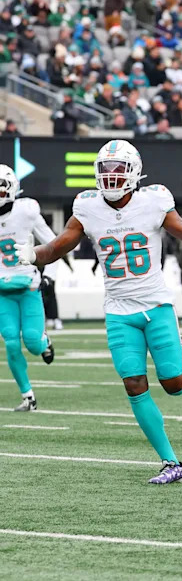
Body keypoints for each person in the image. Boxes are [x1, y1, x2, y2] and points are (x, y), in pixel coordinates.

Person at [15, 140, 182, 483]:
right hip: (118, 311)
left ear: (134, 172)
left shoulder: (154, 201)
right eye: (105, 170)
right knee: (133, 384)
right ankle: (171, 462)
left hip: (156, 305)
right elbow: (60, 245)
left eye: (117, 170)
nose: (110, 177)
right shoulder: (86, 206)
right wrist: (33, 255)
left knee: (174, 385)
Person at [0, 166, 56, 411]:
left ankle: (45, 342)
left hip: (27, 286)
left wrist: (50, 276)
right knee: (11, 343)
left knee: (32, 343)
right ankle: (28, 396)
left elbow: (53, 243)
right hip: (2, 291)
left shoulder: (26, 211)